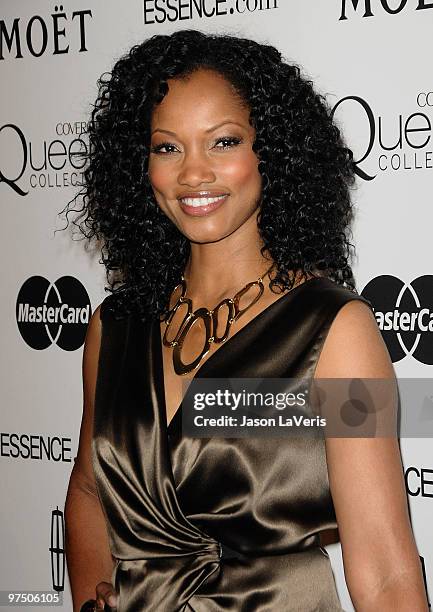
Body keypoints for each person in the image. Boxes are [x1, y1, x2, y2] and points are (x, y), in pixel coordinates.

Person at [63, 29, 428, 612]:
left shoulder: (340, 331)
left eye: (223, 142)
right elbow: (87, 487)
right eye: (167, 147)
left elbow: (385, 570)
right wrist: (90, 597)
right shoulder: (114, 325)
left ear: (272, 149)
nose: (193, 174)